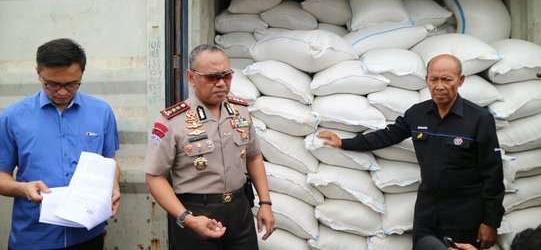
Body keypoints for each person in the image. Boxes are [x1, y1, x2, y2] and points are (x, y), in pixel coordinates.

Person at [318, 54, 505, 250]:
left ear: (461, 81)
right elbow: (387, 135)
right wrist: (344, 143)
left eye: (447, 80)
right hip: (427, 212)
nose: (439, 86)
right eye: (434, 79)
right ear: (427, 80)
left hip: (464, 214)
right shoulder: (417, 114)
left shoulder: (479, 119)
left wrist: (491, 221)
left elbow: (493, 174)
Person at [144, 44, 275, 250]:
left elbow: (253, 157)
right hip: (196, 213)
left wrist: (265, 203)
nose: (222, 83)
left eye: (227, 76)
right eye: (212, 77)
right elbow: (155, 177)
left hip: (239, 210)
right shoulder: (171, 121)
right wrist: (186, 218)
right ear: (191, 77)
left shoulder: (240, 111)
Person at [0, 38, 121, 249]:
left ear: (82, 74)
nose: (62, 92)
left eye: (72, 84)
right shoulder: (12, 117)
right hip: (34, 237)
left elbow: (109, 161)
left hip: (87, 234)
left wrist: (114, 185)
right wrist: (22, 189)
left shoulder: (101, 112)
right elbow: (2, 175)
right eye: (52, 84)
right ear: (38, 73)